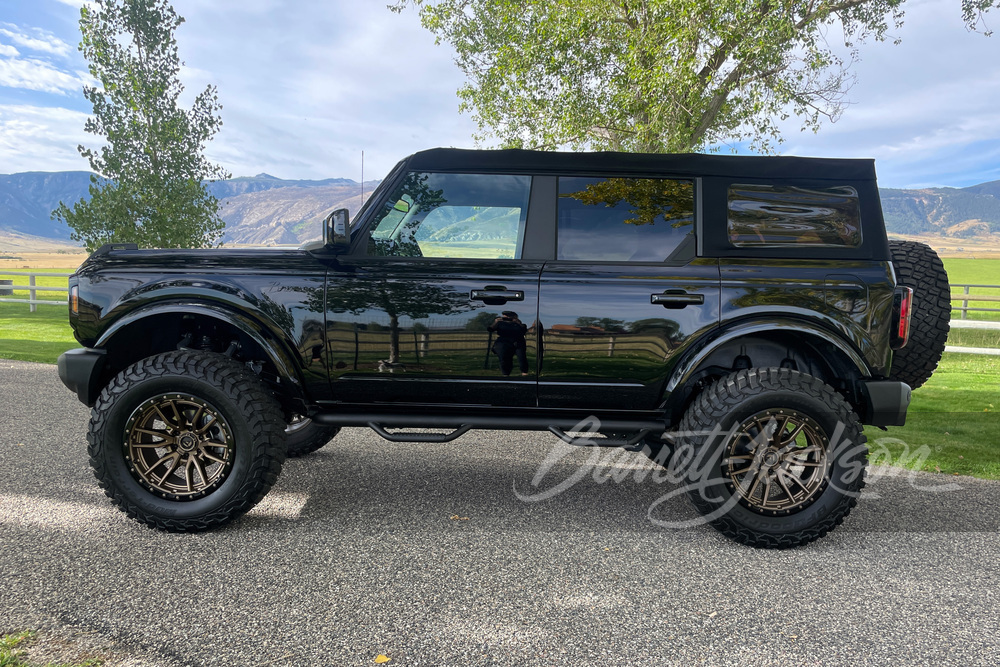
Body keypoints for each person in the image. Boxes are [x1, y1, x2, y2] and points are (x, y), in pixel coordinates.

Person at [488, 311, 529, 376]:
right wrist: (496, 322)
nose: (507, 318)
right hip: (504, 342)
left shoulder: (518, 324)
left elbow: (524, 330)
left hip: (518, 342)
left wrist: (518, 323)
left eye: (509, 317)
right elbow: (490, 329)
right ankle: (506, 374)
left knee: (521, 357)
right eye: (505, 317)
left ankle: (524, 372)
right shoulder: (500, 323)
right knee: (504, 358)